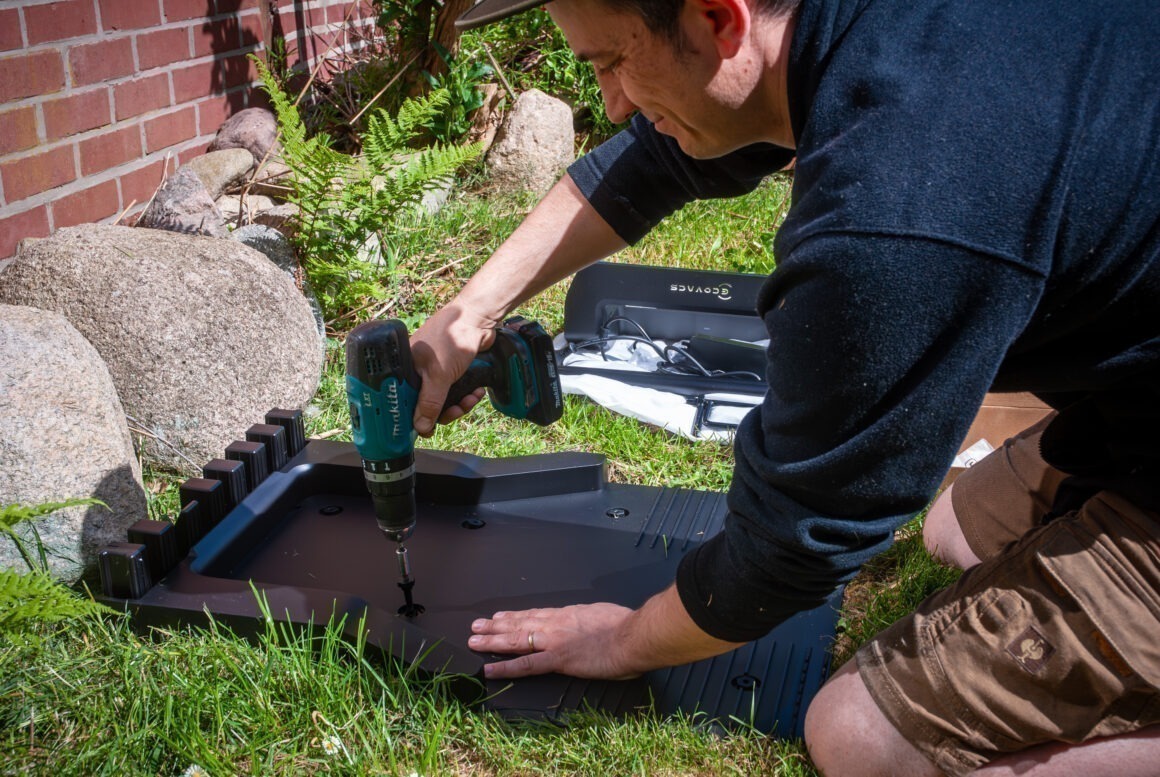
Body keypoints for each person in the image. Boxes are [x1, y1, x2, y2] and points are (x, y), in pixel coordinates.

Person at [406, 0, 1160, 774]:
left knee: (860, 738)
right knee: (955, 532)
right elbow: (653, 160)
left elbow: (794, 545)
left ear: (719, 19)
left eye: (611, 63)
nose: (613, 103)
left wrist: (620, 639)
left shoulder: (895, 206)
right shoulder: (848, 31)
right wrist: (468, 313)